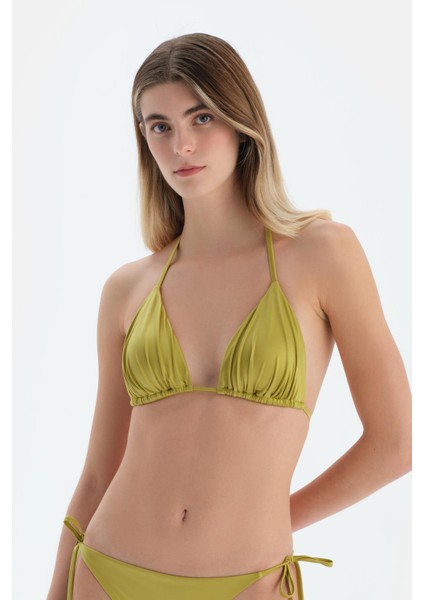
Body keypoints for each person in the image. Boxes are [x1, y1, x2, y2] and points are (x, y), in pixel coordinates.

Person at [47, 32, 411, 600]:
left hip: (248, 583)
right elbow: (97, 475)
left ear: (243, 123)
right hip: (107, 573)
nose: (181, 145)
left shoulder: (323, 253)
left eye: (202, 118)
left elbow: (394, 445)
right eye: (159, 126)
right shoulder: (126, 289)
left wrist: (271, 525)